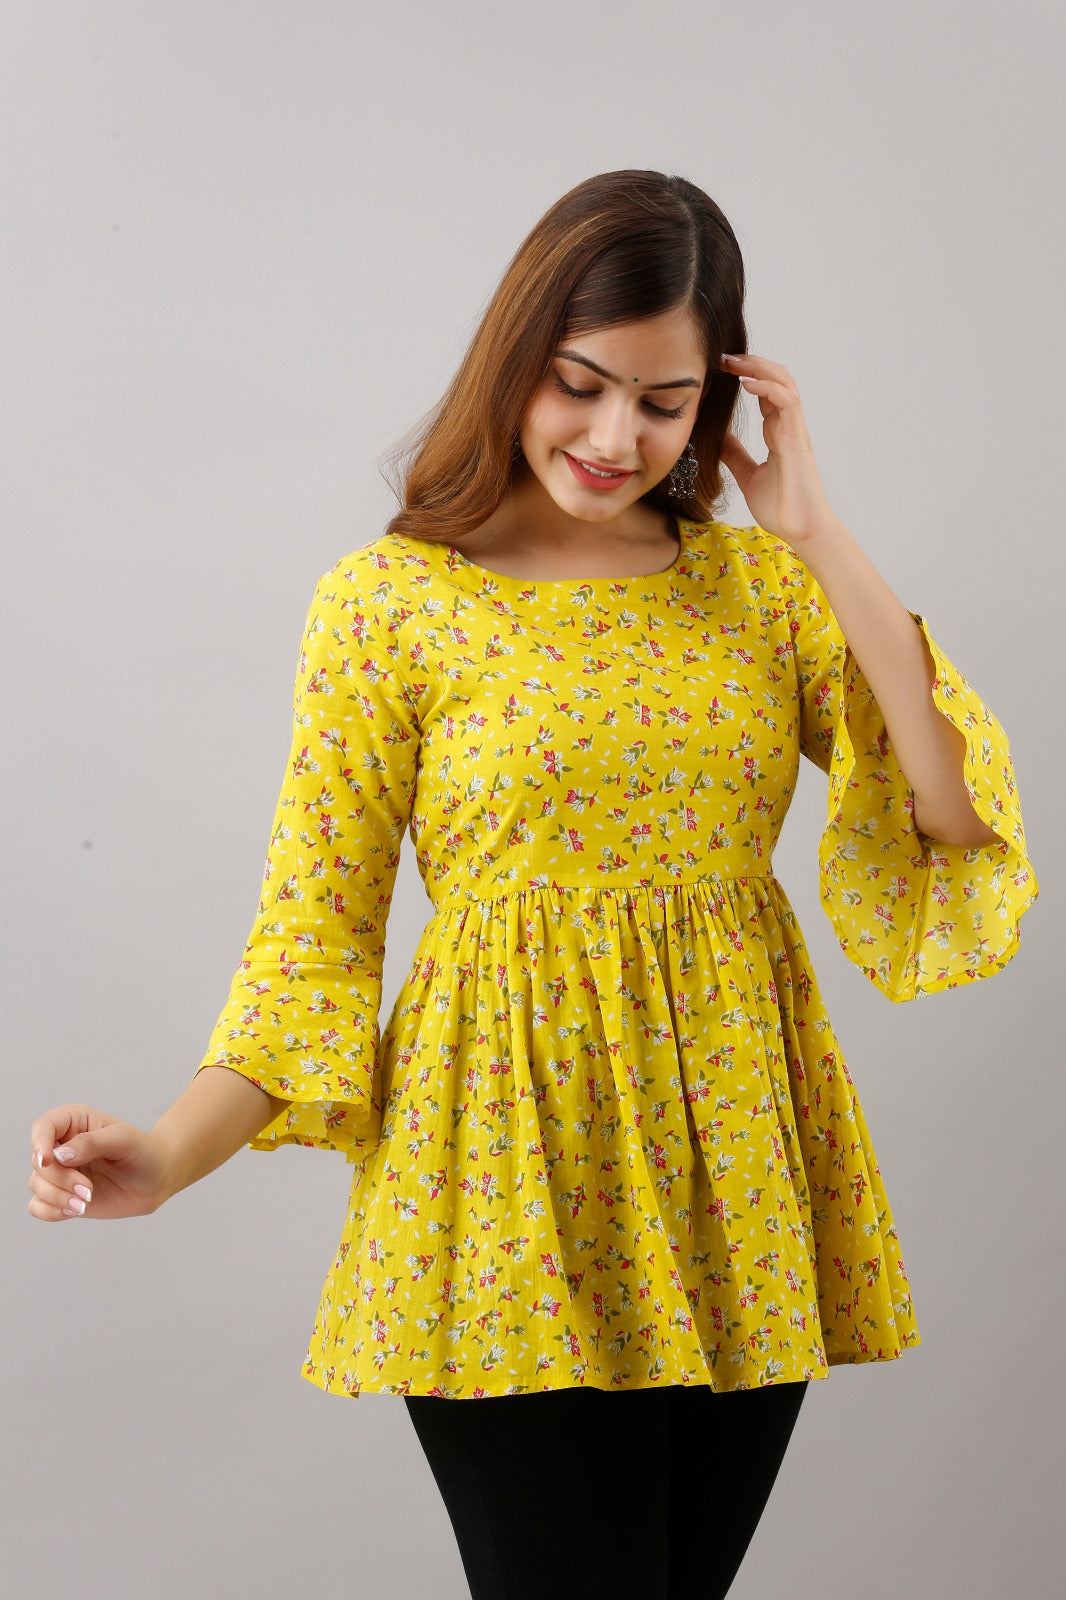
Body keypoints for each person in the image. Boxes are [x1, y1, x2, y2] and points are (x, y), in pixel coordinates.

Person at [29, 170, 1039, 1600]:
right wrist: (169, 1155)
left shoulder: (760, 593)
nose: (615, 438)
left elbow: (949, 813)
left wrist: (816, 534)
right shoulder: (392, 603)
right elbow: (314, 937)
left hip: (738, 1176)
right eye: (580, 385)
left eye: (664, 402)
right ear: (517, 360)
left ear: (716, 402)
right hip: (503, 1178)